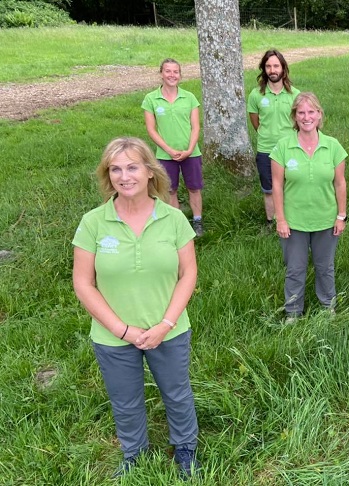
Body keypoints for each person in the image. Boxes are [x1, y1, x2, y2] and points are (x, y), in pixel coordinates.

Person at [72, 137, 200, 478]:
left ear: (148, 172)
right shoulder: (93, 223)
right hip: (113, 336)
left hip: (168, 329)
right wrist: (122, 330)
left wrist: (165, 324)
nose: (124, 176)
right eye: (115, 169)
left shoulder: (173, 219)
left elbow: (188, 274)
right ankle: (134, 454)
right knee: (125, 400)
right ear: (107, 175)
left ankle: (186, 449)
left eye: (132, 167)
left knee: (176, 392)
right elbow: (83, 284)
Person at [271, 92, 347, 319]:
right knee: (295, 269)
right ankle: (293, 311)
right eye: (301, 112)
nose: (306, 117)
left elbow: (340, 183)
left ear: (319, 114)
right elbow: (276, 185)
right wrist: (281, 219)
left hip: (325, 218)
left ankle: (327, 307)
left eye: (311, 112)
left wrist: (341, 216)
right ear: (294, 116)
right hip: (294, 221)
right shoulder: (283, 147)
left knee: (326, 268)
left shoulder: (333, 146)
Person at [142, 58, 204, 237]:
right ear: (161, 73)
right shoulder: (151, 99)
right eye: (168, 71)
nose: (172, 75)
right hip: (165, 154)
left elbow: (195, 126)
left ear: (180, 75)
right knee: (171, 190)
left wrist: (190, 149)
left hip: (191, 153)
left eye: (175, 72)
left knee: (194, 188)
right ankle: (177, 224)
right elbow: (151, 129)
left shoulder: (189, 98)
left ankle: (198, 221)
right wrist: (169, 150)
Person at [248, 49, 301, 226]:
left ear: (283, 68)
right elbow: (255, 122)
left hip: (290, 149)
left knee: (291, 187)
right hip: (266, 149)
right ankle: (272, 222)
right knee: (269, 189)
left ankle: (290, 220)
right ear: (264, 69)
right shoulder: (256, 95)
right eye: (268, 66)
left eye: (276, 66)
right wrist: (268, 134)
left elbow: (300, 121)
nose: (272, 70)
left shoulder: (295, 95)